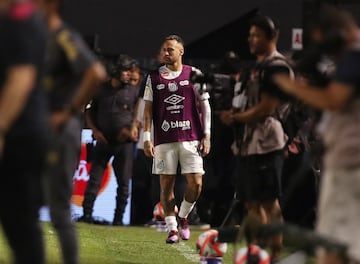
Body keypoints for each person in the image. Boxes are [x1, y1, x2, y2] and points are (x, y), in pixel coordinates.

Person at [274, 5, 360, 264]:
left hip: (351, 164)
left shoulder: (355, 53)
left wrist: (290, 86)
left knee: (333, 249)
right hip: (346, 159)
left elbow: (334, 99)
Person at [220, 15, 293, 261]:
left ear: (272, 37)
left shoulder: (277, 66)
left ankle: (272, 256)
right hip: (249, 143)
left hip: (268, 141)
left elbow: (266, 108)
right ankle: (258, 253)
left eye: (256, 35)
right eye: (250, 35)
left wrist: (238, 118)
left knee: (269, 203)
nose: (251, 39)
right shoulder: (258, 67)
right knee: (251, 202)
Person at [38, 0, 106, 263]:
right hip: (35, 129)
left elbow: (95, 73)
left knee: (58, 210)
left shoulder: (64, 36)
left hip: (59, 130)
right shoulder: (34, 36)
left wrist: (68, 111)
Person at [143, 34, 211, 243]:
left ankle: (183, 216)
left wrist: (207, 135)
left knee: (196, 184)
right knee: (166, 187)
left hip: (191, 138)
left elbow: (205, 107)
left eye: (170, 49)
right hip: (164, 139)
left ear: (181, 51)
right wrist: (147, 138)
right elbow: (147, 112)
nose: (165, 53)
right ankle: (172, 229)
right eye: (164, 49)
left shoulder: (194, 74)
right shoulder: (153, 77)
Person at [0, 0, 48, 263]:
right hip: (18, 134)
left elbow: (21, 78)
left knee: (21, 229)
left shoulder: (22, 19)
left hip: (20, 138)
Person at [79, 54, 139, 226]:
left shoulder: (133, 91)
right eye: (126, 71)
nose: (129, 75)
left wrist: (134, 128)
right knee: (94, 180)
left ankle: (118, 220)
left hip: (124, 143)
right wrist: (95, 131)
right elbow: (88, 111)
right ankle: (86, 215)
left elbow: (140, 111)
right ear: (116, 72)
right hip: (103, 141)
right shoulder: (101, 89)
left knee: (124, 183)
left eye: (130, 71)